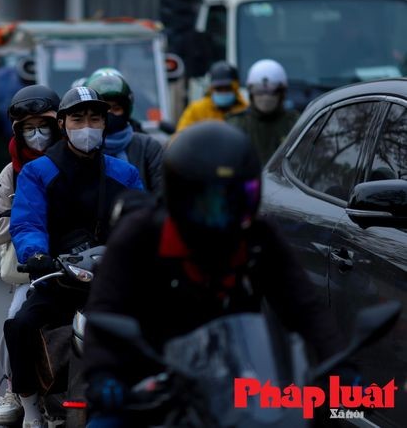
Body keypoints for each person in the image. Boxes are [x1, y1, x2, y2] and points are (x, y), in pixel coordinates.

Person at [82, 121, 347, 427]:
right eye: (208, 204)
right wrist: (104, 373)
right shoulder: (139, 236)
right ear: (178, 197)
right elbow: (105, 310)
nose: (223, 216)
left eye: (236, 200)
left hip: (236, 377)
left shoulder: (260, 238)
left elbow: (306, 308)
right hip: (146, 380)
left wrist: (339, 366)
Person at [6, 86, 143, 428]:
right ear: (63, 123)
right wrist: (36, 254)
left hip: (112, 282)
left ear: (105, 123)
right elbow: (27, 222)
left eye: (95, 118)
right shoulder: (38, 172)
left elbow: (142, 222)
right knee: (20, 326)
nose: (87, 126)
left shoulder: (124, 174)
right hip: (59, 278)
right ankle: (32, 409)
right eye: (78, 118)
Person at [0, 85, 62, 426]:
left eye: (44, 125)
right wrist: (29, 221)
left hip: (84, 264)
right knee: (17, 316)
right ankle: (17, 393)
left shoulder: (78, 162)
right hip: (35, 268)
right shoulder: (12, 172)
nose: (37, 134)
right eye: (28, 127)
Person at [85, 72, 163, 193]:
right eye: (104, 109)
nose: (110, 114)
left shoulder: (147, 147)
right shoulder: (81, 146)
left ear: (126, 111)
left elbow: (161, 194)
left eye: (116, 109)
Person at [226, 59, 299, 165]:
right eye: (259, 91)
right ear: (251, 93)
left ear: (282, 93)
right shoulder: (235, 124)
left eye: (272, 91)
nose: (265, 97)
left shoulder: (296, 124)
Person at [175, 61, 247, 132]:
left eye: (227, 88)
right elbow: (180, 136)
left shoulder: (245, 111)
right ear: (211, 89)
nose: (223, 92)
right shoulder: (196, 110)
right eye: (218, 89)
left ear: (235, 89)